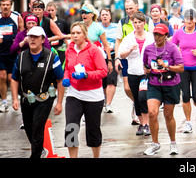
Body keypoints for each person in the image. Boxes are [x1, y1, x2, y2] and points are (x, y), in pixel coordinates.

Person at [10, 26, 64, 158]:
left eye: (36, 37)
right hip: (26, 99)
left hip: (44, 99)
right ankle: (39, 150)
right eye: (30, 36)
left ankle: (35, 155)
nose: (32, 39)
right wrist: (15, 99)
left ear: (43, 39)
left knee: (37, 127)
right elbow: (14, 79)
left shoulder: (52, 57)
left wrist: (59, 103)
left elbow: (60, 80)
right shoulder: (21, 57)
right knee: (28, 128)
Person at [62, 21, 108, 158]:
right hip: (74, 94)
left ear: (85, 35)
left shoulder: (94, 50)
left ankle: (96, 156)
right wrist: (66, 77)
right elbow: (67, 69)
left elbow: (103, 71)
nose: (75, 36)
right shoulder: (69, 50)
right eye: (73, 33)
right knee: (71, 127)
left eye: (78, 33)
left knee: (93, 130)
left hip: (93, 95)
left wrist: (87, 75)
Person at [142, 24, 184, 156]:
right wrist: (146, 70)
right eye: (155, 34)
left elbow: (181, 68)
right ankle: (155, 144)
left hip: (170, 84)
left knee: (168, 115)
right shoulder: (148, 49)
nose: (157, 37)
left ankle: (173, 142)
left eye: (160, 34)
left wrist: (167, 66)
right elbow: (145, 64)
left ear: (166, 35)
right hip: (154, 83)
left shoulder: (173, 49)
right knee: (152, 112)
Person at [171, 8, 196, 133]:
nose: (189, 21)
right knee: (186, 96)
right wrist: (176, 54)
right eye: (187, 18)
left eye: (191, 18)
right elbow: (172, 46)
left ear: (195, 20)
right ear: (184, 19)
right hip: (183, 68)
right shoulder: (179, 33)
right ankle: (188, 122)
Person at [115, 0, 151, 124]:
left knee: (142, 95)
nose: (129, 11)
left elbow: (153, 40)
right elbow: (118, 41)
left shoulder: (147, 21)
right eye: (127, 9)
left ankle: (143, 112)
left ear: (137, 7)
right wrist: (117, 58)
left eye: (131, 8)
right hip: (128, 57)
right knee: (128, 89)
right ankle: (137, 106)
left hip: (145, 61)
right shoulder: (123, 22)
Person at [118, 12, 154, 136]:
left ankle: (147, 124)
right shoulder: (129, 38)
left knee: (143, 97)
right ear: (133, 24)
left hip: (146, 72)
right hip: (133, 72)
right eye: (135, 23)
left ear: (144, 23)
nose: (138, 25)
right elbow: (120, 54)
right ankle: (141, 124)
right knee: (136, 100)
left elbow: (157, 50)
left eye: (140, 22)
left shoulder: (150, 37)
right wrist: (129, 50)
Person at [0, 0, 24, 113]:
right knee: (2, 76)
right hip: (0, 53)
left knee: (11, 78)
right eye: (3, 4)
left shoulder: (17, 16)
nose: (5, 7)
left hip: (13, 52)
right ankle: (4, 102)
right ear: (0, 6)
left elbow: (23, 31)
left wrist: (18, 41)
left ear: (11, 6)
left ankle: (14, 99)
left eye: (7, 5)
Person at [80, 4, 113, 74]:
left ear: (92, 14)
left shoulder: (98, 27)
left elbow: (106, 45)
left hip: (93, 58)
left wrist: (109, 61)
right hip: (81, 58)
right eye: (82, 12)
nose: (83, 15)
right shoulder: (79, 26)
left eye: (86, 12)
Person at [99, 8, 118, 113]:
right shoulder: (96, 27)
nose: (105, 16)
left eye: (107, 14)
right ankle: (104, 98)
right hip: (99, 56)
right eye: (103, 15)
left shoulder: (116, 27)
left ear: (110, 16)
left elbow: (119, 40)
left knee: (111, 80)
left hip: (113, 55)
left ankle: (108, 104)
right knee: (102, 81)